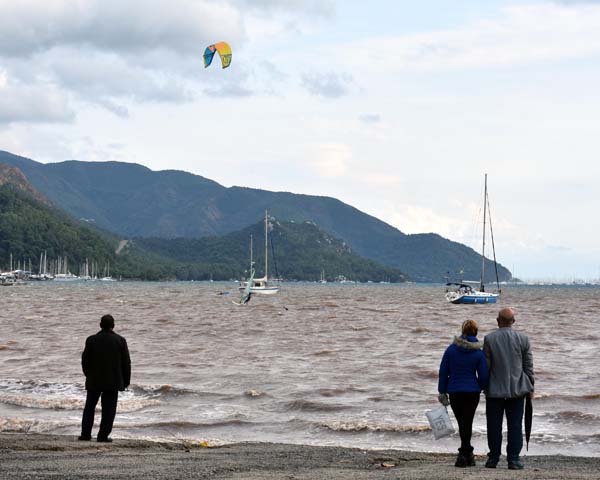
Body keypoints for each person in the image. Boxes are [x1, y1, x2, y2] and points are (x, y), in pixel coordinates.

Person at [483, 307, 534, 470]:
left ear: (498, 321)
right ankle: (513, 459)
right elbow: (528, 366)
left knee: (493, 425)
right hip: (517, 389)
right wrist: (531, 387)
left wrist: (483, 386)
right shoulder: (523, 339)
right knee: (515, 425)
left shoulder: (489, 338)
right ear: (513, 321)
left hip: (494, 390)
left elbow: (486, 366)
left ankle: (493, 459)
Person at [438, 319, 489, 468]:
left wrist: (442, 391)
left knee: (462, 423)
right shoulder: (478, 353)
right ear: (476, 332)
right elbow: (484, 376)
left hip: (454, 391)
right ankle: (466, 454)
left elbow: (443, 372)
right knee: (467, 421)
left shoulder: (451, 350)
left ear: (462, 331)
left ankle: (464, 454)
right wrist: (480, 386)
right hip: (471, 393)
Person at [79, 314, 131, 443]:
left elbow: (84, 361)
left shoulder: (91, 340)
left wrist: (88, 375)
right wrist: (126, 381)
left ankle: (85, 434)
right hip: (113, 381)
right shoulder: (120, 340)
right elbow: (126, 363)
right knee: (109, 410)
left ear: (100, 325)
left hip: (94, 380)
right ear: (113, 326)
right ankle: (103, 436)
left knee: (89, 407)